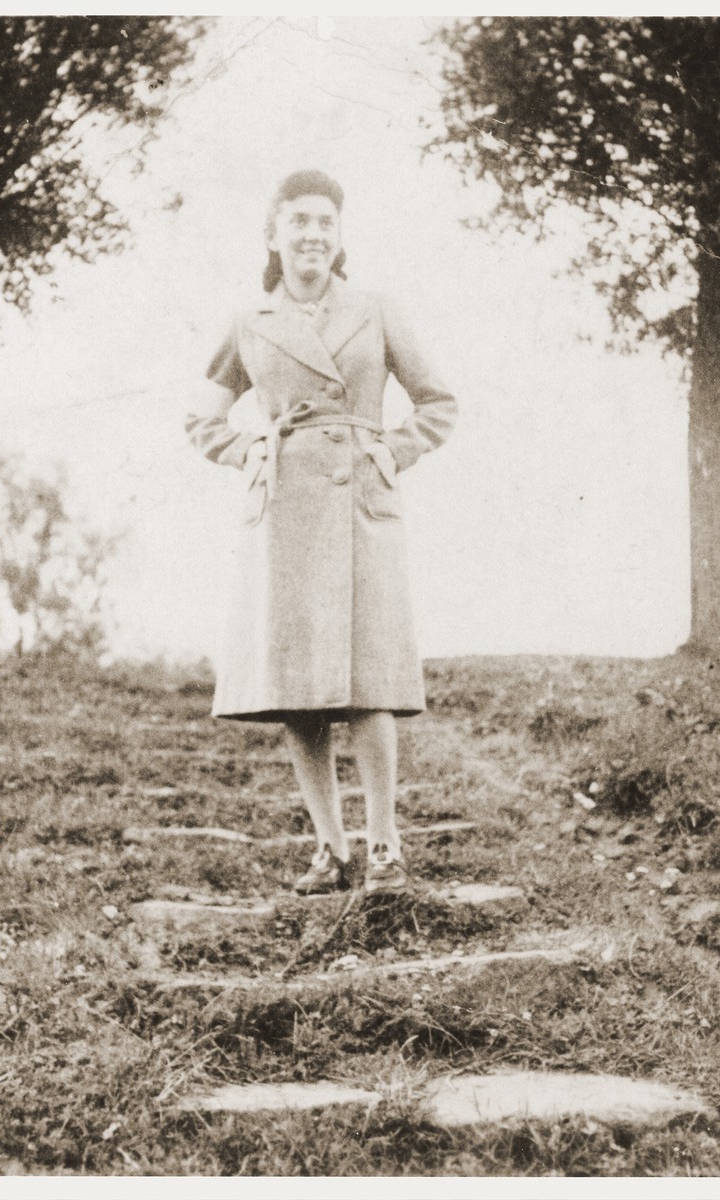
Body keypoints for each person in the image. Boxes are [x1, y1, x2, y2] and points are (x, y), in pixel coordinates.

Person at [184, 169, 457, 896]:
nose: (312, 235)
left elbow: (436, 401)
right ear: (273, 236)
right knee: (298, 690)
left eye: (324, 224)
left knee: (370, 682)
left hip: (359, 504)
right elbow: (201, 417)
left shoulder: (375, 309)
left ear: (339, 239)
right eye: (298, 222)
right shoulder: (250, 321)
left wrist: (391, 449)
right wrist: (247, 449)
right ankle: (331, 850)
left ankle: (386, 850)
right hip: (286, 511)